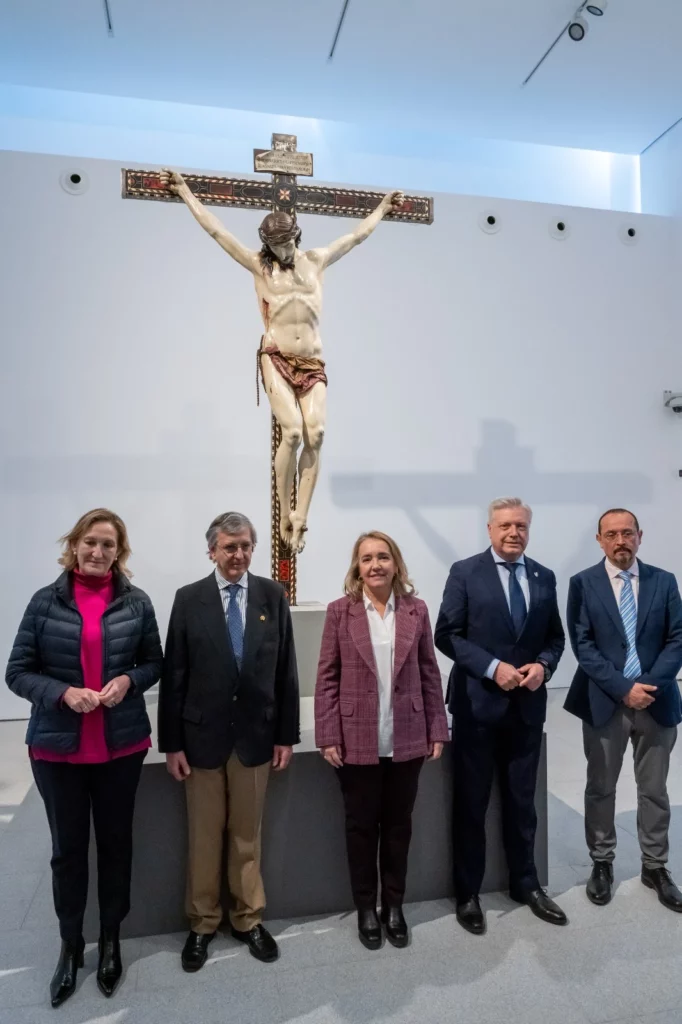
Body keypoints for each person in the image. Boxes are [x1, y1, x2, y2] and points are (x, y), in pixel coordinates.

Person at [159, 166, 403, 554]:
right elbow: (217, 231)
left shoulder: (317, 261)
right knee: (292, 432)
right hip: (276, 356)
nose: (281, 250)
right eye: (274, 244)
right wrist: (186, 191)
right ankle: (284, 508)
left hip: (311, 361)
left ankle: (300, 517)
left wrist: (383, 208)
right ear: (266, 243)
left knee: (317, 434)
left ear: (296, 236)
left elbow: (357, 236)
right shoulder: (260, 266)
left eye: (286, 242)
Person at [5, 509, 162, 1007]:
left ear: (120, 553)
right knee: (67, 851)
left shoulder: (136, 603)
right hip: (57, 751)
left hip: (120, 748)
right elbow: (17, 672)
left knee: (116, 846)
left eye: (109, 546)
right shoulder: (44, 602)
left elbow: (154, 661)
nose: (98, 552)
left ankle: (111, 939)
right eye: (90, 543)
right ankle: (71, 944)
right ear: (74, 545)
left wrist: (129, 681)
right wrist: (61, 693)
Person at [159, 511, 299, 971]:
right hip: (200, 741)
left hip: (256, 739)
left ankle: (247, 919)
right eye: (229, 547)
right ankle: (201, 924)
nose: (237, 555)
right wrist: (171, 744)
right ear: (212, 551)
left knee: (246, 837)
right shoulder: (189, 599)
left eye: (244, 547)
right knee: (203, 838)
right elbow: (174, 675)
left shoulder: (272, 595)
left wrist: (286, 736)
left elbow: (285, 672)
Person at [435, 497, 566, 935]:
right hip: (477, 706)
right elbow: (447, 634)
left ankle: (525, 883)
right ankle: (468, 892)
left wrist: (543, 666)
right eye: (506, 526)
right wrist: (493, 667)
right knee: (472, 803)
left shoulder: (543, 577)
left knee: (522, 803)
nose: (514, 533)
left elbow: (555, 637)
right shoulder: (465, 572)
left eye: (522, 526)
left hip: (526, 709)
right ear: (489, 529)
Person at [315, 531, 449, 950]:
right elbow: (327, 678)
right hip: (355, 741)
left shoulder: (416, 610)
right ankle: (366, 909)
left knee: (398, 827)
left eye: (383, 557)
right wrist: (327, 734)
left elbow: (429, 670)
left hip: (406, 737)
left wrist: (437, 727)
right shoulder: (341, 612)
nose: (375, 565)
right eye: (366, 558)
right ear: (357, 566)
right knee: (360, 829)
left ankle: (395, 906)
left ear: (396, 564)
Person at [565, 508, 682, 911]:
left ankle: (655, 865)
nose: (620, 541)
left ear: (639, 536)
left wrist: (648, 686)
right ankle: (602, 861)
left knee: (655, 790)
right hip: (604, 701)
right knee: (601, 787)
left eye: (627, 533)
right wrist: (623, 688)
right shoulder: (583, 583)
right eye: (611, 534)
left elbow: (677, 639)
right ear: (599, 539)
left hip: (657, 700)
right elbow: (583, 645)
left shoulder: (663, 581)